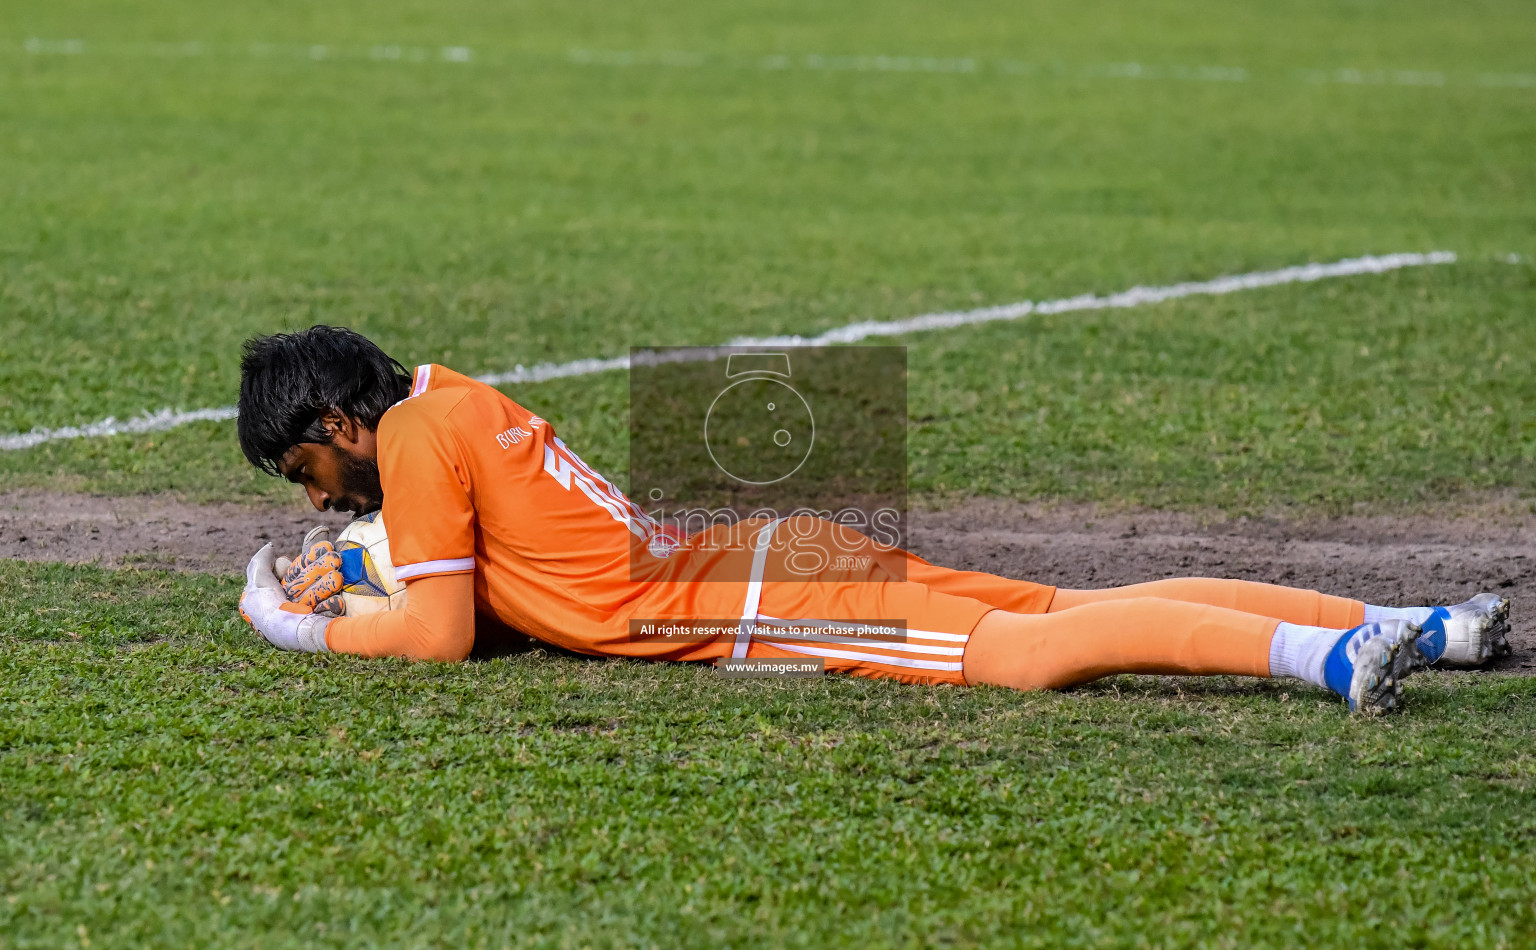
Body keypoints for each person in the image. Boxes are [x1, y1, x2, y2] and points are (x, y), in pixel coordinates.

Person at [235, 326, 1511, 715]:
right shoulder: (445, 397)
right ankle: (1423, 627)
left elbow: (447, 631)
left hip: (747, 599)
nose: (314, 496)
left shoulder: (406, 440)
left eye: (304, 469)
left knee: (1025, 653)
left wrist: (307, 629)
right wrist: (358, 565)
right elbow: (497, 574)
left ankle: (1329, 656)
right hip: (767, 548)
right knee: (1054, 605)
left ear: (341, 425)